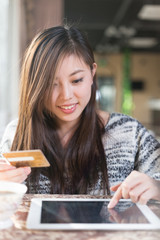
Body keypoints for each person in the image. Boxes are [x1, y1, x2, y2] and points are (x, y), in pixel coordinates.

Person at [0, 25, 160, 208]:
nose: (66, 95)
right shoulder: (16, 134)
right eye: (51, 84)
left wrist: (156, 187)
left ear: (92, 73)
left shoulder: (130, 133)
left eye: (77, 80)